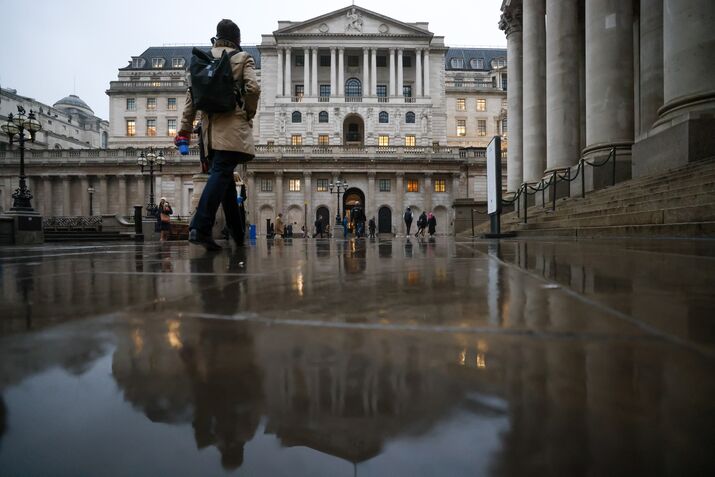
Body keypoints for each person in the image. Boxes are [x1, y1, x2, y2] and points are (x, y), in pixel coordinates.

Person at [179, 19, 261, 251]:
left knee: (224, 179)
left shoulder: (202, 59)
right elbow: (253, 89)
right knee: (223, 173)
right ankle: (200, 226)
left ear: (217, 36)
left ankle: (237, 233)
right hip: (233, 127)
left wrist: (185, 130)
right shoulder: (242, 58)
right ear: (237, 40)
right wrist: (248, 113)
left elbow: (190, 98)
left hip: (209, 132)